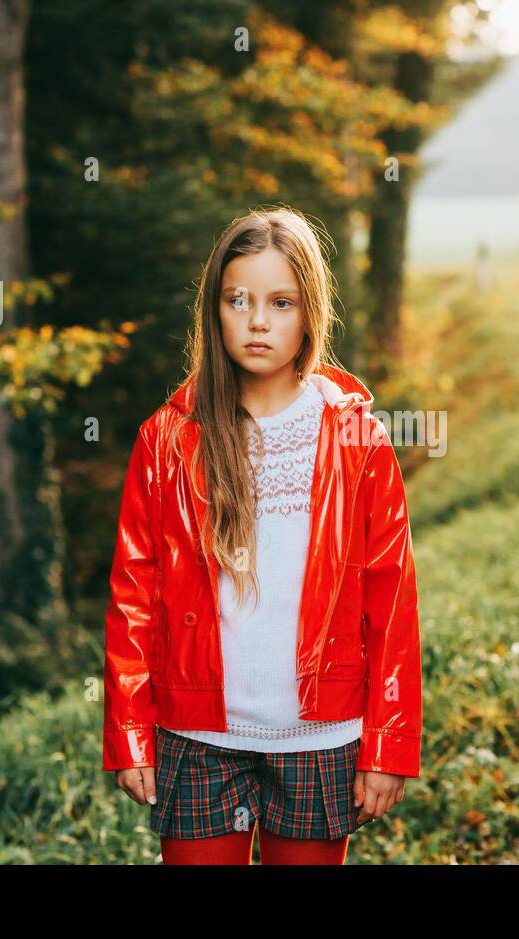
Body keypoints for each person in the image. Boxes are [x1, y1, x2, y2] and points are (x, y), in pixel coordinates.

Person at [101, 205, 422, 865]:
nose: (255, 321)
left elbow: (392, 602)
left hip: (320, 735)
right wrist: (130, 731)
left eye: (280, 302)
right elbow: (134, 592)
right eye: (237, 299)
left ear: (310, 313)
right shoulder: (166, 439)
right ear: (213, 308)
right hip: (196, 734)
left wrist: (388, 742)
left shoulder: (357, 438)